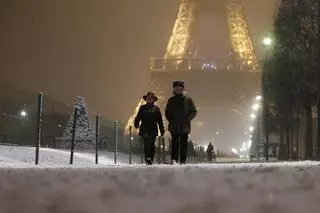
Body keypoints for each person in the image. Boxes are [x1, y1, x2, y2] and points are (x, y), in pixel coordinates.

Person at [165, 80, 197, 164]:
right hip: (174, 125)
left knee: (184, 144)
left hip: (184, 125)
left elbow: (194, 111)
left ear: (182, 88)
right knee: (174, 144)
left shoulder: (188, 100)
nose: (178, 89)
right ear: (174, 89)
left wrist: (187, 119)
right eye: (176, 87)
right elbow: (167, 112)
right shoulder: (171, 100)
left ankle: (183, 160)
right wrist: (171, 120)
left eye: (180, 87)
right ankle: (174, 160)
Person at [134, 91, 165, 165]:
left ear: (154, 99)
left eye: (151, 98)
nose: (150, 99)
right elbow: (138, 117)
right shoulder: (142, 108)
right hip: (144, 128)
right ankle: (147, 158)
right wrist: (136, 123)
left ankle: (150, 158)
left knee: (151, 144)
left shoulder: (156, 109)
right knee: (146, 144)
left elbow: (160, 120)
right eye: (148, 98)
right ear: (146, 99)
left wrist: (162, 130)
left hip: (153, 129)